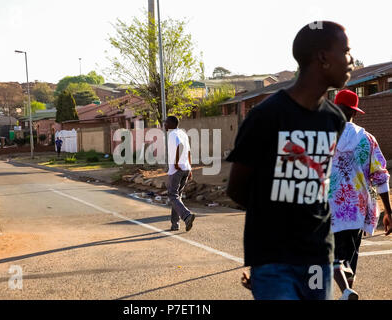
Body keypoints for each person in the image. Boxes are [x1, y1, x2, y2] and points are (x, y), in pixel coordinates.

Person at [226, 21, 354, 300]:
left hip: (318, 256)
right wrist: (273, 227)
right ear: (322, 58)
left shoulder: (334, 119)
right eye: (345, 51)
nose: (351, 61)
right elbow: (236, 188)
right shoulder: (266, 116)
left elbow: (318, 185)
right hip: (274, 259)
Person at [329, 89, 391, 300]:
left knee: (334, 255)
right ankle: (348, 290)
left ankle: (345, 290)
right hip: (359, 206)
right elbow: (381, 177)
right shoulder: (368, 139)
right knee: (351, 256)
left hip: (332, 208)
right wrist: (388, 212)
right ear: (354, 112)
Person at [164, 116, 195, 232]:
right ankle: (175, 224)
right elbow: (188, 152)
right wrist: (190, 168)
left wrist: (176, 164)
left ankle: (187, 216)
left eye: (166, 123)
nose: (165, 125)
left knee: (172, 195)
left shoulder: (172, 134)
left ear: (172, 124)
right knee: (177, 197)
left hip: (177, 169)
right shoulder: (183, 133)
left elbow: (179, 147)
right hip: (185, 168)